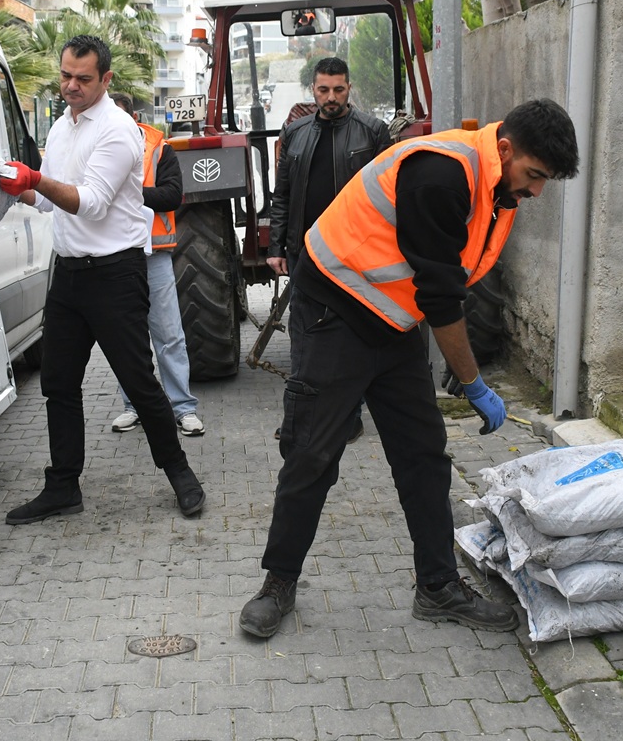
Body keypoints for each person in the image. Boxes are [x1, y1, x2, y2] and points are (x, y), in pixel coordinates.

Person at [238, 99, 580, 638]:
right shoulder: (442, 173)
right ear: (507, 149)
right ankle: (277, 583)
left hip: (392, 323)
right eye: (534, 175)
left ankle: (438, 586)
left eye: (545, 181)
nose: (536, 191)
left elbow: (445, 280)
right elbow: (442, 299)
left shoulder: (494, 182)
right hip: (334, 313)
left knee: (423, 457)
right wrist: (473, 383)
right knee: (312, 454)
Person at [0, 35, 205, 524]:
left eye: (83, 79)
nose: (71, 86)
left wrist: (33, 179)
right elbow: (49, 201)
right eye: (65, 75)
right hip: (68, 275)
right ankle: (63, 487)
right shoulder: (63, 128)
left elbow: (88, 202)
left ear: (106, 79)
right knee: (59, 384)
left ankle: (180, 472)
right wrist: (12, 186)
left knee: (138, 379)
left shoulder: (117, 130)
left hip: (115, 273)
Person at [266, 56, 391, 443]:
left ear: (349, 88)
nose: (331, 97)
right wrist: (277, 247)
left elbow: (389, 196)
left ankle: (348, 418)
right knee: (304, 341)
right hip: (308, 255)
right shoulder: (295, 134)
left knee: (350, 340)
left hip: (356, 256)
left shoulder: (373, 132)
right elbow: (282, 195)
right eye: (324, 90)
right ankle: (298, 421)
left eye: (338, 89)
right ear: (314, 91)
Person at [107, 92, 205, 437]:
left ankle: (183, 409)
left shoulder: (159, 148)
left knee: (168, 336)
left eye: (117, 117)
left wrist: (127, 192)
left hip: (154, 256)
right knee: (125, 339)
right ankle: (133, 407)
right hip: (114, 256)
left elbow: (172, 195)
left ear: (133, 118)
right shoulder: (95, 148)